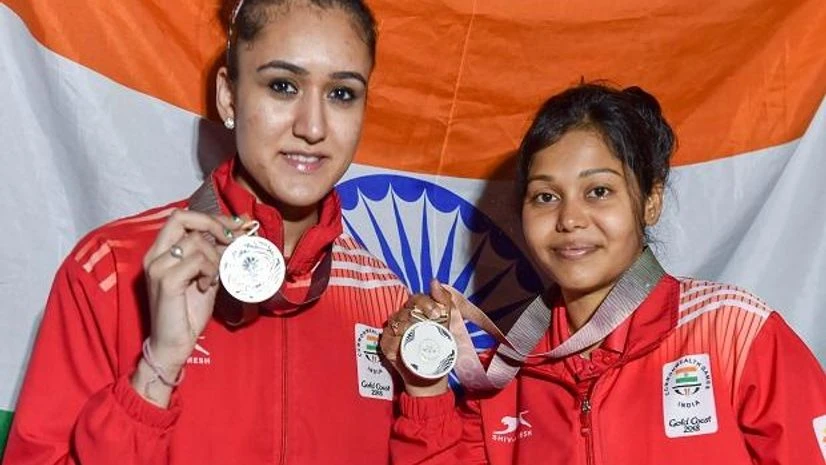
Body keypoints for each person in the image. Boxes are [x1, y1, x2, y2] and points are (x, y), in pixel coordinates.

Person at [3, 1, 409, 464]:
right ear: (228, 97)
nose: (313, 127)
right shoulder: (113, 268)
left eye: (341, 93)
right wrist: (158, 367)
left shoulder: (385, 301)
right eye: (283, 86)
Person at [382, 83, 826, 465]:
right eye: (545, 196)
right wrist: (425, 389)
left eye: (598, 191)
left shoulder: (733, 334)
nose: (570, 219)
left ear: (650, 202)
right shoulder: (506, 374)